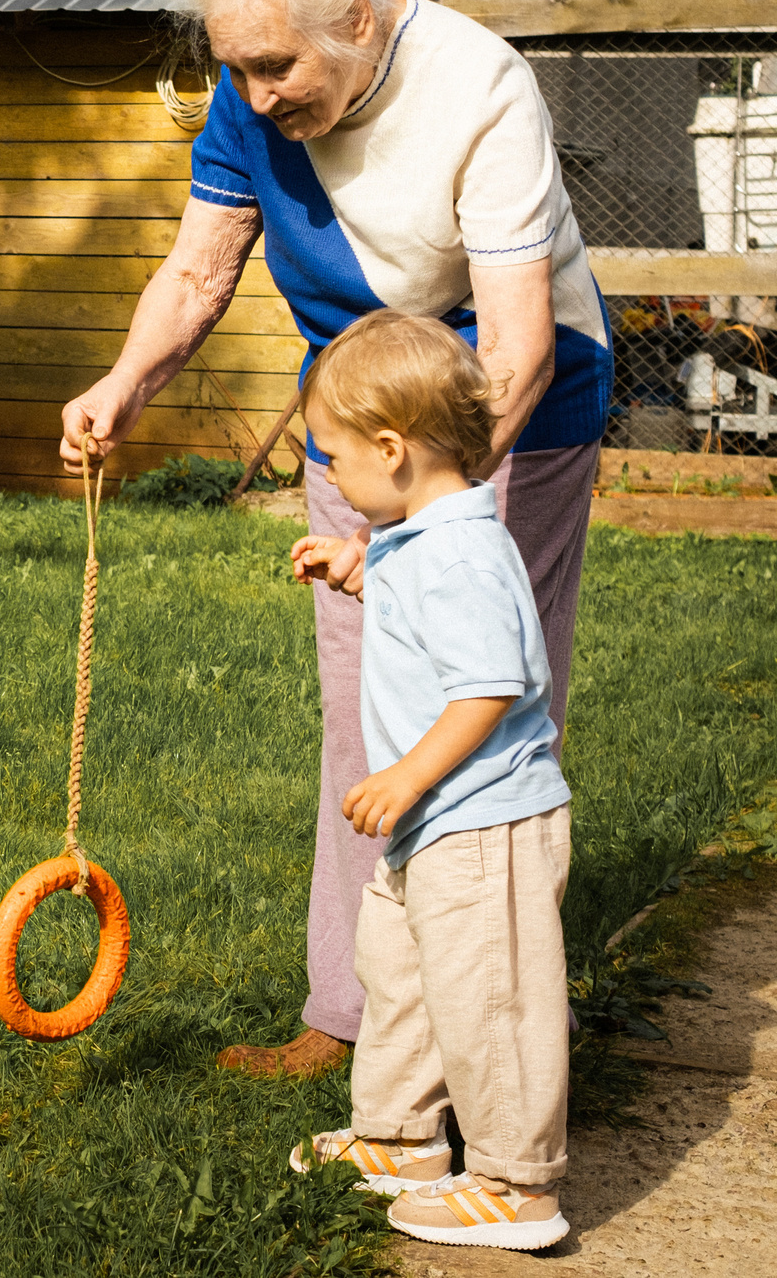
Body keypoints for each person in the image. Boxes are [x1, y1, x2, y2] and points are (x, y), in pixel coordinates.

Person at [59, 0, 611, 1076]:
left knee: (486, 715)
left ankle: (502, 1036)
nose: (256, 99)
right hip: (357, 425)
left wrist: (429, 533)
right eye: (235, 70)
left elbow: (518, 347)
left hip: (505, 418)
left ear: (359, 21)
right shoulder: (246, 87)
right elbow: (198, 272)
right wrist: (125, 386)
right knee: (368, 717)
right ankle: (350, 1019)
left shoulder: (481, 88)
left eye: (275, 68)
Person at [282, 310, 572, 1252]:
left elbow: (490, 684)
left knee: (488, 998)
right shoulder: (420, 537)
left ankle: (517, 1180)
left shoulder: (459, 551)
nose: (324, 473)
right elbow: (423, 609)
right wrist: (358, 571)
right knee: (402, 979)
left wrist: (404, 774)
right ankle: (400, 1138)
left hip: (478, 824)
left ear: (392, 448)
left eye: (330, 456)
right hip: (434, 825)